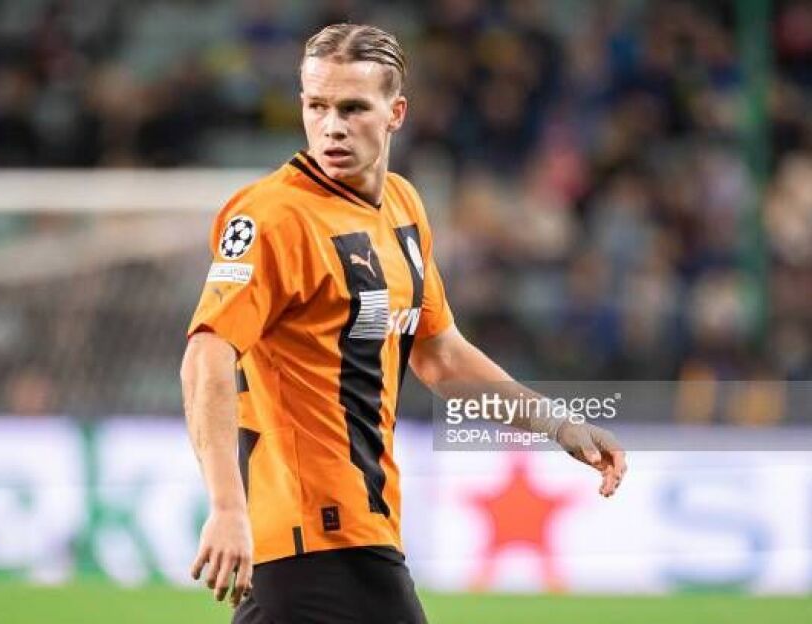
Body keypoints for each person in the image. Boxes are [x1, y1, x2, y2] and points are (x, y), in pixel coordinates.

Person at [181, 23, 627, 624]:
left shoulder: (402, 207)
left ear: (396, 114)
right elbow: (206, 354)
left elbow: (440, 355)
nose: (332, 126)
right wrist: (227, 506)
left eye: (352, 108)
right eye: (316, 106)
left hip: (359, 524)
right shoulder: (273, 217)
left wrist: (556, 422)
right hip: (320, 527)